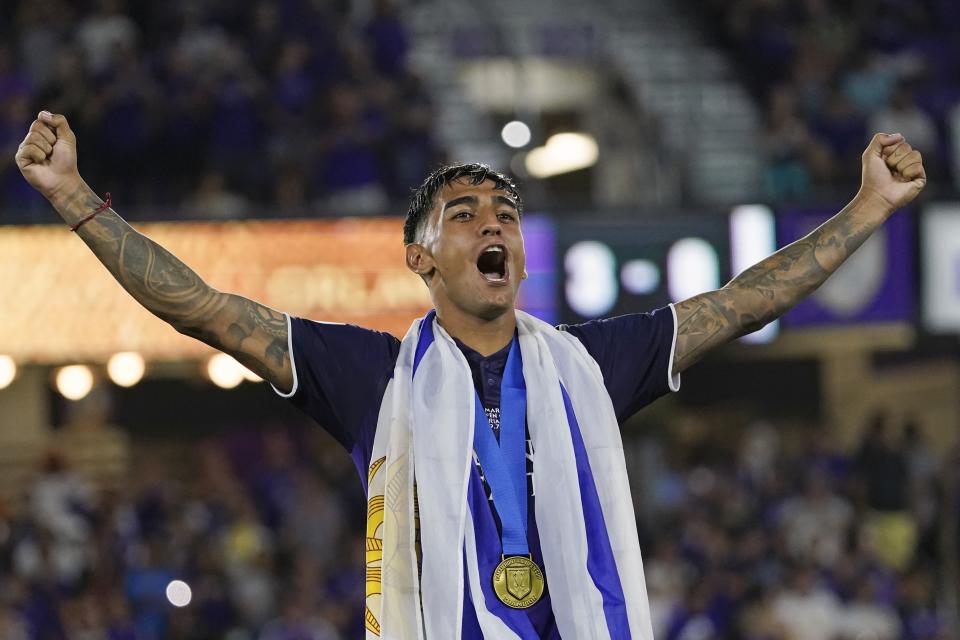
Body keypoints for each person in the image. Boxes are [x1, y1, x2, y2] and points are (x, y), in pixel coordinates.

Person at [15, 110, 926, 640]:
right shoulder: (369, 374)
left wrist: (869, 205)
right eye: (464, 214)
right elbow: (205, 308)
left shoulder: (588, 365)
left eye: (506, 213)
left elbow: (743, 302)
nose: (494, 225)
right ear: (420, 256)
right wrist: (73, 199)